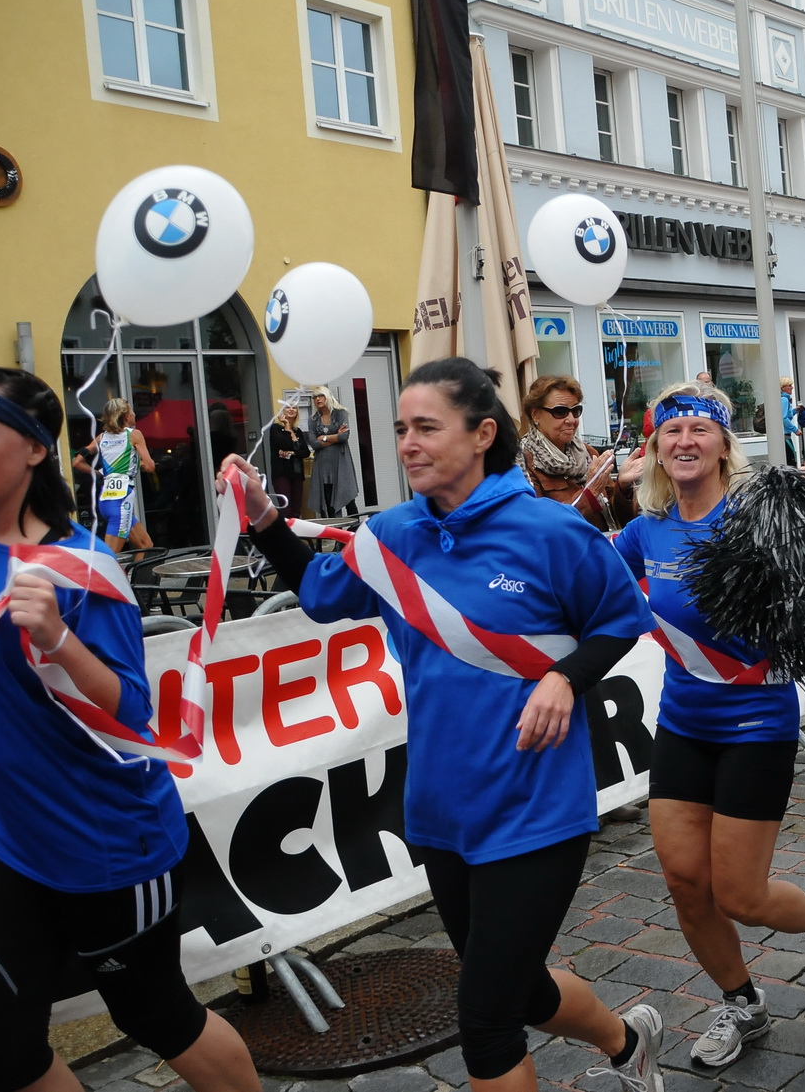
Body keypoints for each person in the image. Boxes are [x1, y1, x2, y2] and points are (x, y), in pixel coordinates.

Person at [217, 359, 664, 1091]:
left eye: (426, 426)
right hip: (438, 813)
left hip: (536, 810)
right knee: (518, 991)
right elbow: (323, 595)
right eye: (400, 428)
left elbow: (620, 621)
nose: (407, 443)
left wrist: (563, 675)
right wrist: (264, 517)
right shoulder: (391, 534)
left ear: (482, 433)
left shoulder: (552, 531)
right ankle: (625, 1039)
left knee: (484, 1019)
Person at [0, 367, 260, 1092]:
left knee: (159, 1016)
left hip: (106, 847)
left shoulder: (81, 568)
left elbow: (129, 710)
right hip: (12, 843)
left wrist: (56, 636)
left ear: (36, 448)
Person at [614, 382, 805, 1069]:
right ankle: (742, 1003)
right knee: (684, 878)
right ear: (656, 447)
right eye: (672, 431)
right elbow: (594, 590)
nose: (685, 440)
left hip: (756, 720)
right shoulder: (647, 528)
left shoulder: (758, 515)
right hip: (683, 722)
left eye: (700, 428)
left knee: (740, 893)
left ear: (725, 443)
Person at [518, 375, 623, 530]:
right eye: (560, 411)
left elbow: (617, 513)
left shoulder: (588, 452)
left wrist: (624, 487)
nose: (571, 419)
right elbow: (539, 526)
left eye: (576, 411)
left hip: (602, 547)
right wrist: (589, 493)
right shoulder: (523, 462)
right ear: (535, 415)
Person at [72, 397, 155, 553]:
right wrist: (140, 465)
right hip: (122, 503)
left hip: (106, 501)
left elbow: (77, 462)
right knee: (109, 558)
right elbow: (150, 466)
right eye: (132, 411)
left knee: (146, 546)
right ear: (126, 417)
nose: (134, 414)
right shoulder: (134, 435)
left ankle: (137, 578)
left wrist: (97, 473)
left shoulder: (101, 437)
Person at [306, 388, 359, 517]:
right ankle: (337, 534)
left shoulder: (341, 413)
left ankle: (356, 530)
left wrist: (323, 437)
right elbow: (313, 443)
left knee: (348, 497)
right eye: (314, 397)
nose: (317, 399)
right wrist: (335, 436)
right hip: (323, 465)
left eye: (320, 396)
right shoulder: (313, 419)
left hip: (341, 462)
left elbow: (344, 436)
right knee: (329, 500)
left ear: (328, 396)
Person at [267, 401, 309, 519]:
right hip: (282, 473)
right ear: (282, 411)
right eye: (287, 407)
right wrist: (286, 425)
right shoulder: (275, 428)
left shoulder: (298, 431)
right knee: (286, 510)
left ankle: (297, 536)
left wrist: (294, 453)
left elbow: (305, 452)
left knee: (296, 510)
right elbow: (285, 444)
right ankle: (287, 535)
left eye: (294, 407)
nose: (291, 409)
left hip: (297, 473)